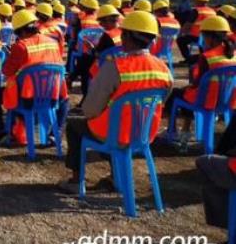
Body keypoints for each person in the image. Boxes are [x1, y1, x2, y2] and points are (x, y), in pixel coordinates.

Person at [60, 11, 173, 192]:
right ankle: (116, 176)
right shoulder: (163, 68)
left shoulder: (115, 66)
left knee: (75, 124)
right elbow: (163, 98)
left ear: (126, 36)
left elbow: (90, 110)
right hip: (144, 132)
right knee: (108, 126)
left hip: (114, 132)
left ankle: (76, 181)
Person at [166, 16, 236, 148]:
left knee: (176, 94)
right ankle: (185, 130)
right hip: (228, 101)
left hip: (208, 101)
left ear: (211, 37)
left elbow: (198, 83)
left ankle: (176, 131)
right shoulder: (233, 54)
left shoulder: (207, 56)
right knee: (187, 93)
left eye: (204, 36)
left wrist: (190, 86)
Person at [3, 9, 68, 144]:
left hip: (27, 98)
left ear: (21, 31)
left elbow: (7, 72)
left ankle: (2, 132)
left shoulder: (20, 46)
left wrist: (11, 56)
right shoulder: (53, 42)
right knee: (65, 101)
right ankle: (55, 133)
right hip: (52, 94)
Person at [177, 0, 217, 64]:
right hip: (209, 37)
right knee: (203, 46)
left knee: (180, 40)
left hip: (196, 36)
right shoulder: (212, 11)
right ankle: (201, 58)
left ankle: (189, 59)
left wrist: (180, 33)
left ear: (197, 1)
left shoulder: (196, 11)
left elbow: (188, 25)